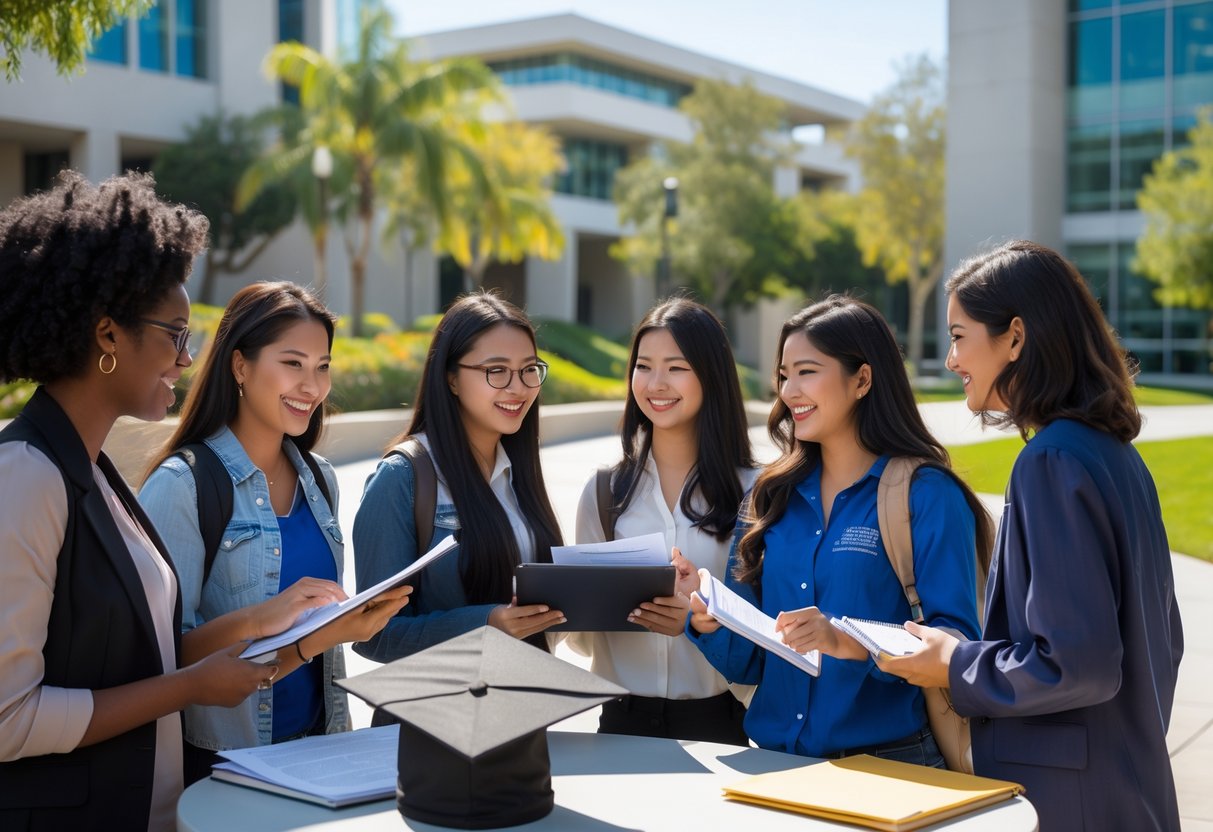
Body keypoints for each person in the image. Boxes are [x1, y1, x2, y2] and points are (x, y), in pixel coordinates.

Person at [0, 172, 345, 831]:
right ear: (106, 336)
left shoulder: (96, 476)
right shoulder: (26, 475)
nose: (187, 359)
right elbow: (9, 719)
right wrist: (189, 688)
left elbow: (145, 654)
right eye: (174, 334)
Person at [877, 241, 1183, 830]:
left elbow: (1077, 663)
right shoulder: (1114, 456)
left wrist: (955, 663)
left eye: (961, 336)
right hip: (1125, 786)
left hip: (1067, 805)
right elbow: (1161, 643)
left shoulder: (1051, 461)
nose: (950, 359)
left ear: (1015, 339)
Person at [681, 295, 993, 765]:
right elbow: (746, 662)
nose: (788, 392)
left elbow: (953, 643)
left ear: (862, 379)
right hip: (774, 765)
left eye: (807, 371)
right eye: (784, 375)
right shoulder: (769, 497)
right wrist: (707, 619)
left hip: (890, 768)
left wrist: (844, 640)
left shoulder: (926, 495)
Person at [139, 281, 409, 783]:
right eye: (293, 363)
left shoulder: (320, 479)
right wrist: (261, 619)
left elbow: (314, 639)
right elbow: (164, 655)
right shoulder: (182, 485)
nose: (313, 386)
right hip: (226, 764)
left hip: (321, 751)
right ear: (240, 366)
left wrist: (347, 623)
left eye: (322, 366)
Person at [563, 298, 756, 744]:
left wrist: (697, 619)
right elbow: (586, 640)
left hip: (719, 725)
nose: (656, 383)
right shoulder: (603, 493)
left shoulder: (757, 491)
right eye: (644, 366)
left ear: (711, 375)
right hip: (619, 724)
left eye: (676, 367)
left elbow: (765, 623)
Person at [353, 292, 565, 666]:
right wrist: (486, 625)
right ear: (451, 378)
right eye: (496, 370)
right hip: (438, 717)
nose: (517, 387)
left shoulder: (517, 472)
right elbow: (375, 634)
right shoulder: (402, 478)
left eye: (529, 369)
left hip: (525, 709)